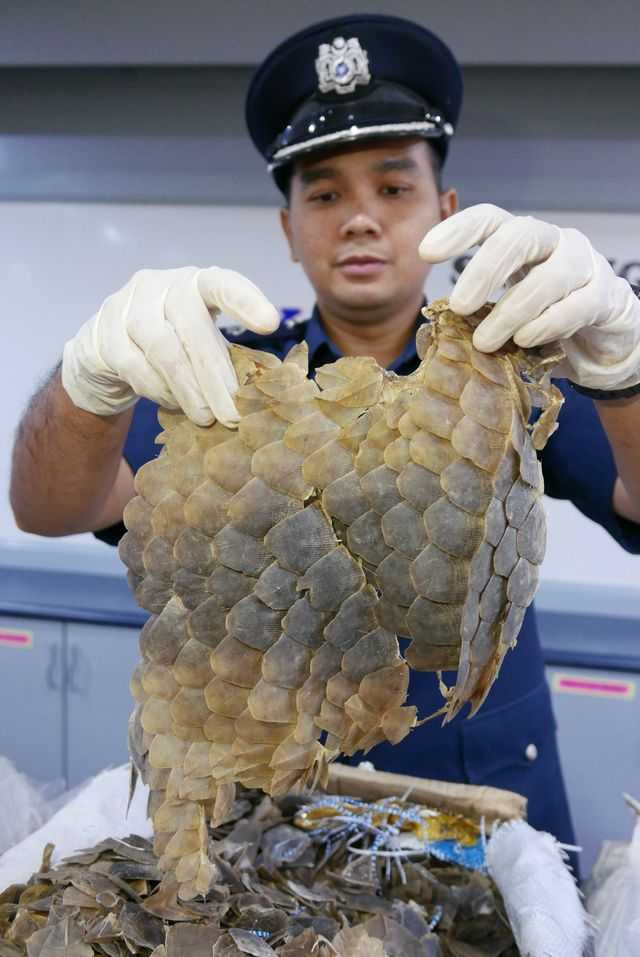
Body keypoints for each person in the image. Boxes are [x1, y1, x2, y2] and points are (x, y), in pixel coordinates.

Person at [10, 14, 640, 862]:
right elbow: (52, 507)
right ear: (289, 227)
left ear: (445, 208)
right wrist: (84, 385)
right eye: (326, 194)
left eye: (394, 187)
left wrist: (625, 374)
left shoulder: (505, 370)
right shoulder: (227, 382)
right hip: (279, 817)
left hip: (479, 807)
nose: (360, 219)